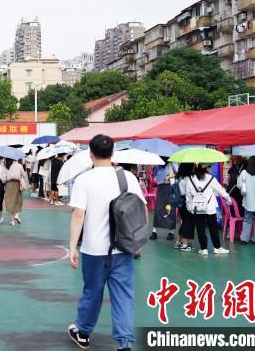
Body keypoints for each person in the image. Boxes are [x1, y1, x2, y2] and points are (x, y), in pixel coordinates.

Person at [68, 134, 145, 351]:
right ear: (113, 152)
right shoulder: (127, 178)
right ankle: (124, 343)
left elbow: (79, 215)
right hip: (122, 248)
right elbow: (140, 211)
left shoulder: (84, 179)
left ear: (90, 153)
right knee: (123, 296)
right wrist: (137, 240)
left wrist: (72, 246)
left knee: (92, 293)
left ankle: (83, 332)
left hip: (94, 250)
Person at [184, 163, 232, 255]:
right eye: (209, 166)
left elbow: (188, 194)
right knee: (213, 228)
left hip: (197, 207)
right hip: (210, 208)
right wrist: (228, 199)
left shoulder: (191, 179)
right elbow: (220, 190)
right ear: (206, 168)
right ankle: (217, 248)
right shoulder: (210, 178)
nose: (210, 168)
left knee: (200, 228)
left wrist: (189, 206)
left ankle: (203, 249)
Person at [149, 159, 176, 242]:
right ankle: (154, 231)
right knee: (158, 209)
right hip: (160, 188)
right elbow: (155, 177)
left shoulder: (172, 163)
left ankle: (171, 232)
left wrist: (169, 177)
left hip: (170, 188)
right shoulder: (157, 164)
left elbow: (178, 173)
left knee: (170, 209)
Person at [174, 163, 196, 252]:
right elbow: (190, 192)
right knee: (188, 222)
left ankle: (178, 241)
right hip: (187, 201)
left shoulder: (179, 177)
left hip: (180, 201)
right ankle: (185, 244)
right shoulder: (189, 179)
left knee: (184, 222)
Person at [3, 157, 24, 225]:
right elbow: (23, 175)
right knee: (18, 200)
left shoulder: (6, 166)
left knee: (10, 201)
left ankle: (12, 221)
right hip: (17, 184)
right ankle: (17, 215)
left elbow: (3, 179)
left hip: (9, 184)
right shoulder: (19, 165)